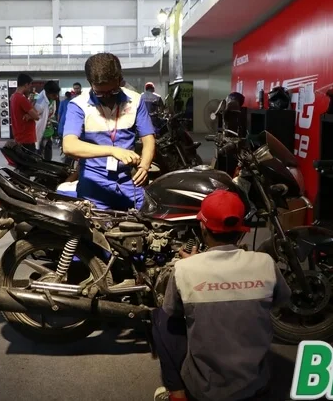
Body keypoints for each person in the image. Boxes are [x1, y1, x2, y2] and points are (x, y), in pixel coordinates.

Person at [153, 190, 292, 401]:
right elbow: (281, 301)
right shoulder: (265, 263)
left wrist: (196, 266)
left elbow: (173, 311)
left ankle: (178, 394)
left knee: (159, 318)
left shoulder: (184, 268)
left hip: (204, 390)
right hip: (256, 385)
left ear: (202, 227)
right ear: (240, 231)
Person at [62, 53, 156, 211]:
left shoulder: (136, 101)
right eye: (100, 93)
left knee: (147, 223)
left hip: (130, 183)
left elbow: (148, 138)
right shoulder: (78, 105)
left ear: (120, 79)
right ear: (90, 83)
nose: (106, 97)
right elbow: (69, 145)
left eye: (112, 92)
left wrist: (144, 166)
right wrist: (113, 151)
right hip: (93, 187)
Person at [10, 73, 40, 152]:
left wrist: (29, 115)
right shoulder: (22, 99)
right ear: (26, 85)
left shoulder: (13, 97)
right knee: (30, 163)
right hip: (27, 139)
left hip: (19, 137)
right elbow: (37, 116)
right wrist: (32, 115)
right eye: (30, 86)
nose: (30, 89)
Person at [35, 80, 60, 160]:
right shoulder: (40, 101)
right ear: (48, 93)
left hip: (49, 131)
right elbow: (35, 117)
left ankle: (48, 166)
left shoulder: (52, 100)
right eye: (54, 94)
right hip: (41, 132)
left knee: (48, 152)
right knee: (39, 153)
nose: (56, 97)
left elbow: (52, 114)